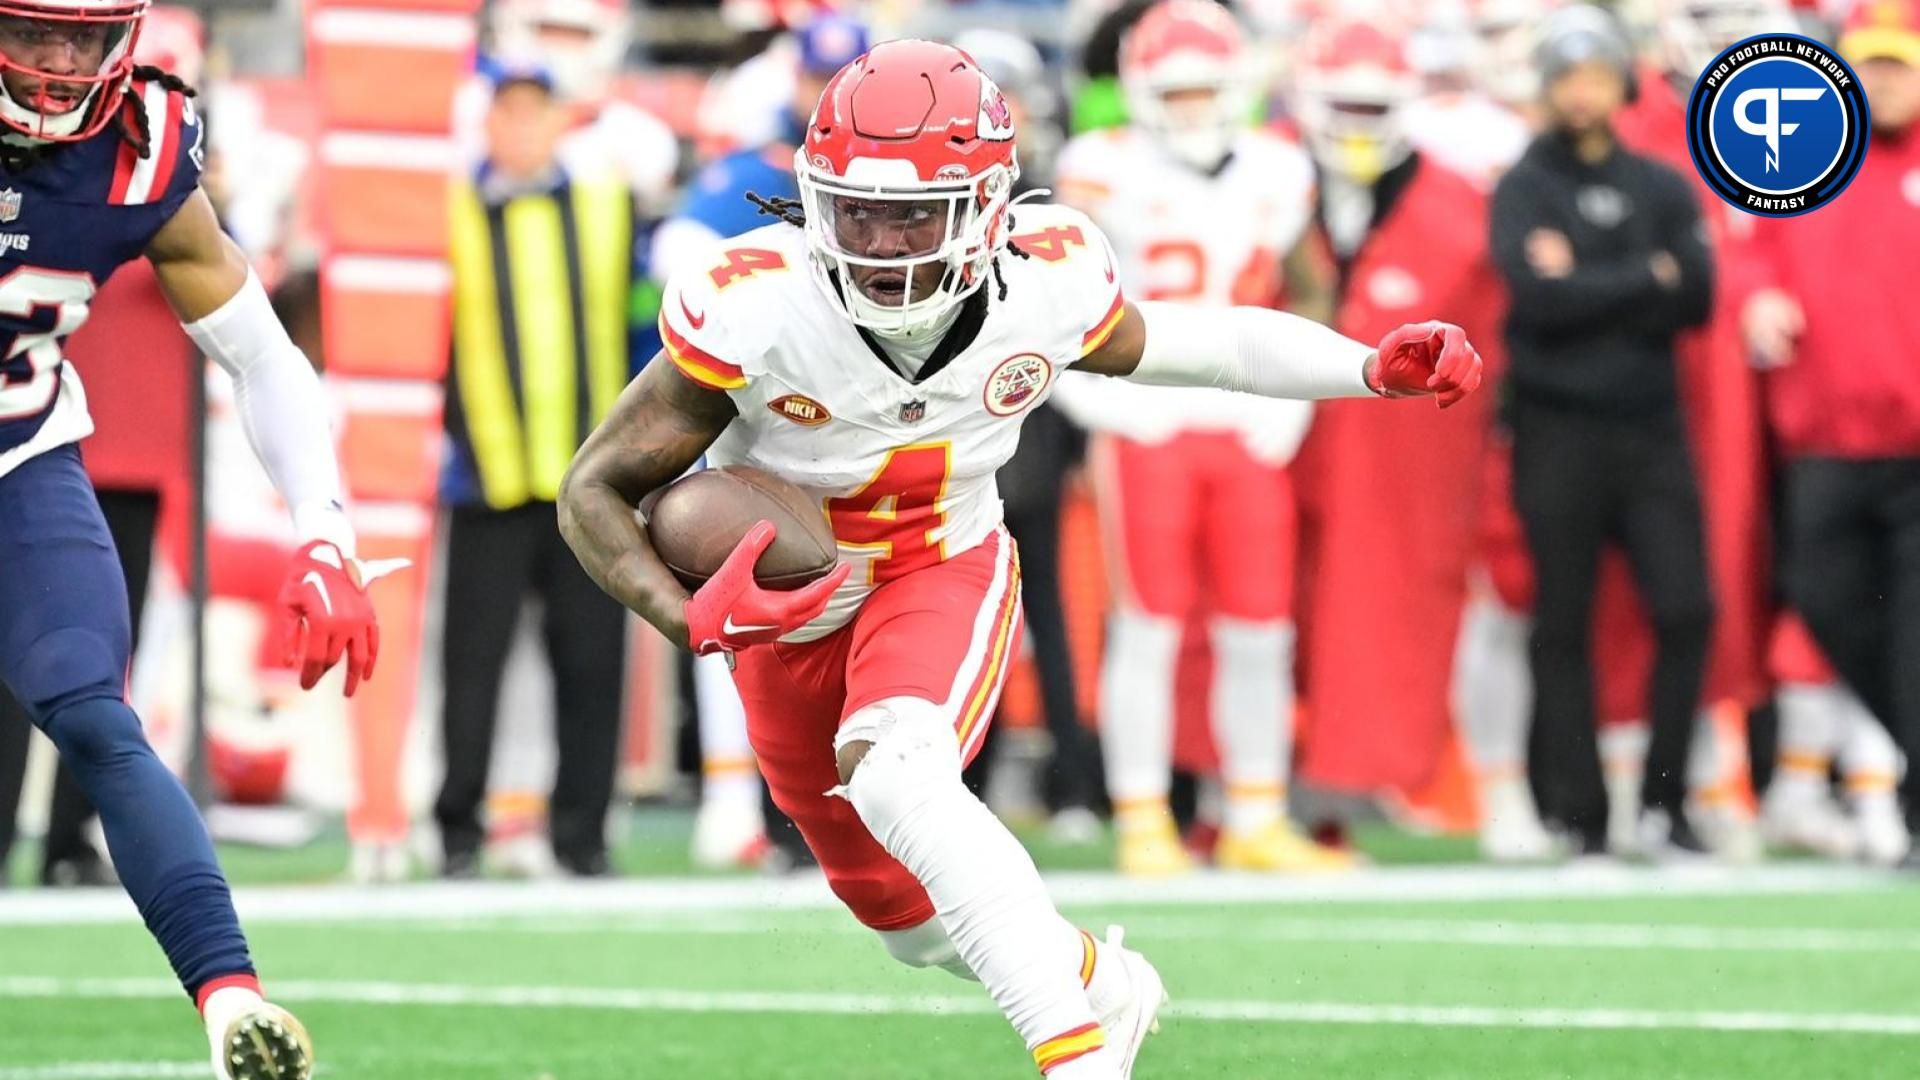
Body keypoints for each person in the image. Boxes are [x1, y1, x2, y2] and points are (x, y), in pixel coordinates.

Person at [559, 39, 1482, 1078]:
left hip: (937, 562)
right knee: (900, 921)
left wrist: (1364, 366)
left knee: (898, 769)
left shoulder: (1047, 281)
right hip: (796, 604)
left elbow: (1202, 345)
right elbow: (595, 488)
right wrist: (682, 615)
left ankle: (1076, 1055)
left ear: (992, 204)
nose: (878, 240)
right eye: (853, 208)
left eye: (913, 212)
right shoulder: (755, 302)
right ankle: (1094, 980)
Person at [0, 0, 392, 1072]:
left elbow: (262, 357)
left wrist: (324, 533)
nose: (59, 64)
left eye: (86, 37)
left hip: (17, 457)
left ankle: (230, 998)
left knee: (95, 716)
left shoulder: (140, 151)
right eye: (35, 32)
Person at [1050, 0, 1348, 876]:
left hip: (1246, 413)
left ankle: (1255, 812)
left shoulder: (1277, 167)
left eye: (1205, 90)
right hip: (1146, 417)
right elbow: (1056, 296)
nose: (1191, 108)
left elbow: (1311, 283)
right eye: (1175, 91)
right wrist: (1085, 393)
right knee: (1148, 626)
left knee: (1262, 628)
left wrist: (1298, 393)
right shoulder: (1096, 168)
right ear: (1140, 90)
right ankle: (1142, 814)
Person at [1490, 4, 1715, 860]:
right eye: (1566, 78)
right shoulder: (1523, 185)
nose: (1581, 94)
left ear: (1619, 81)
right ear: (1546, 89)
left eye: (1594, 76)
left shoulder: (1659, 182)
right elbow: (1536, 299)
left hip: (1651, 428)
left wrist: (1588, 276)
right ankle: (1580, 816)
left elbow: (1696, 294)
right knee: (1563, 620)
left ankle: (1666, 803)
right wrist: (1642, 277)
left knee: (1687, 609)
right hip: (1559, 428)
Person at [435, 63, 636, 880]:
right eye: (506, 114)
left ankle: (583, 836)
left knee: (592, 666)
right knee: (471, 670)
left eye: (535, 113)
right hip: (483, 478)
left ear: (560, 121)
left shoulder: (608, 206)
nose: (521, 130)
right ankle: (457, 832)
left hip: (589, 487)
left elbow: (652, 328)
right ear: (487, 124)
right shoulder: (447, 214)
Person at [1738, 0, 1920, 866]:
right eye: (1872, 64)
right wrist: (1757, 296)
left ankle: (1907, 809)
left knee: (1913, 631)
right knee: (1830, 607)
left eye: (1899, 64)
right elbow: (1751, 252)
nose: (1884, 80)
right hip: (1824, 443)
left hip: (1917, 448)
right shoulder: (1803, 156)